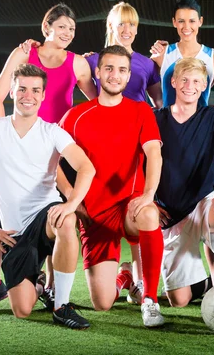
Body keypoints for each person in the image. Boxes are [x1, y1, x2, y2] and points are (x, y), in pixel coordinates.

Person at [0, 3, 97, 314]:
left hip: (54, 148)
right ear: (46, 27)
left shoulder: (78, 64)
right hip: (18, 149)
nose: (67, 33)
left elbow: (96, 103)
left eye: (72, 29)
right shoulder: (25, 53)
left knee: (55, 213)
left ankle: (51, 288)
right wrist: (3, 142)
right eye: (61, 26)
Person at [58, 45, 165, 328]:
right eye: (108, 68)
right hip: (93, 215)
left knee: (149, 213)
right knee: (103, 303)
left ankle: (150, 300)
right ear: (97, 72)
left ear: (129, 76)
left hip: (128, 206)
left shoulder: (141, 111)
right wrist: (71, 198)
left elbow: (154, 153)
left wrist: (149, 195)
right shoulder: (76, 115)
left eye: (121, 70)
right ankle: (124, 276)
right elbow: (53, 164)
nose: (114, 75)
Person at [154, 58, 214, 307]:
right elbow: (140, 161)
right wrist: (148, 198)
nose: (189, 85)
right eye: (184, 79)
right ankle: (207, 284)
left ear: (204, 86)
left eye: (196, 81)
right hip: (170, 214)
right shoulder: (156, 119)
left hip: (202, 204)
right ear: (173, 82)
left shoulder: (211, 117)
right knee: (178, 300)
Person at [150, 0, 214, 107]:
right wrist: (160, 110)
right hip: (167, 123)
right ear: (174, 22)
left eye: (192, 21)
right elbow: (144, 86)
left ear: (200, 21)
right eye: (181, 21)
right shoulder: (162, 54)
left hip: (201, 123)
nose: (186, 27)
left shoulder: (213, 56)